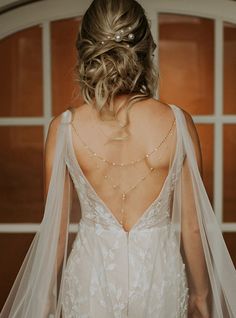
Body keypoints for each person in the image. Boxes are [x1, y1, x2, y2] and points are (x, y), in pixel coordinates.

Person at [1, 0, 236, 317]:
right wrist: (201, 297)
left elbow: (54, 235)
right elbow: (192, 228)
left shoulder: (65, 127)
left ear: (86, 49)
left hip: (91, 279)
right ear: (145, 48)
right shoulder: (178, 122)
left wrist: (43, 304)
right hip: (160, 274)